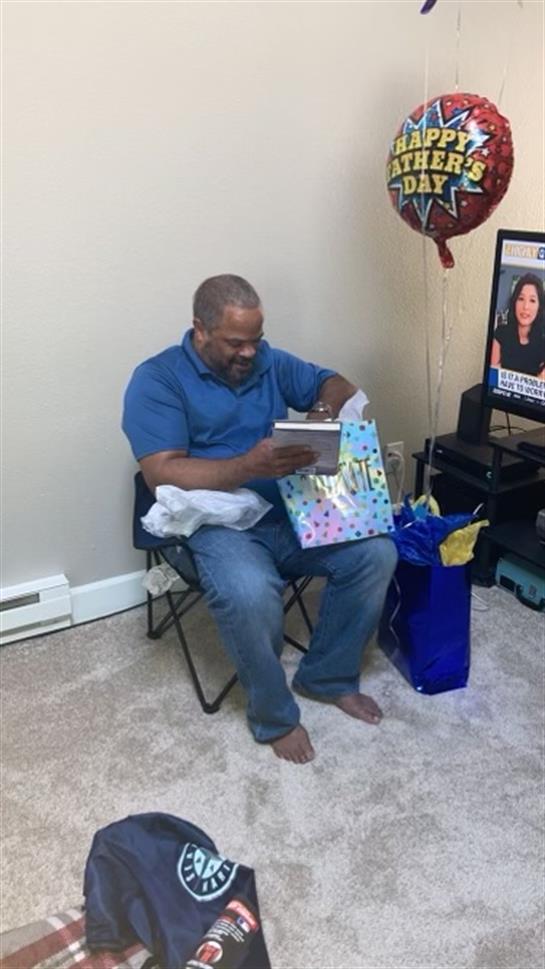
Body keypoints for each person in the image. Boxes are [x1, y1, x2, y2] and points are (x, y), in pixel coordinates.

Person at [122, 275, 397, 764]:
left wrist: (320, 412)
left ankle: (327, 676)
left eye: (256, 340)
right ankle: (274, 716)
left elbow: (336, 383)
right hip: (218, 522)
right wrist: (246, 467)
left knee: (377, 552)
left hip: (290, 510)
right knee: (250, 593)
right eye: (235, 342)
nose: (249, 353)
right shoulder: (157, 379)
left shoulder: (267, 360)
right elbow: (160, 471)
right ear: (200, 330)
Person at [491, 273, 545, 377]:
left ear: (539, 308)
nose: (526, 306)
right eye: (521, 299)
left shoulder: (543, 344)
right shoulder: (501, 334)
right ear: (514, 302)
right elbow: (493, 378)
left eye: (532, 300)